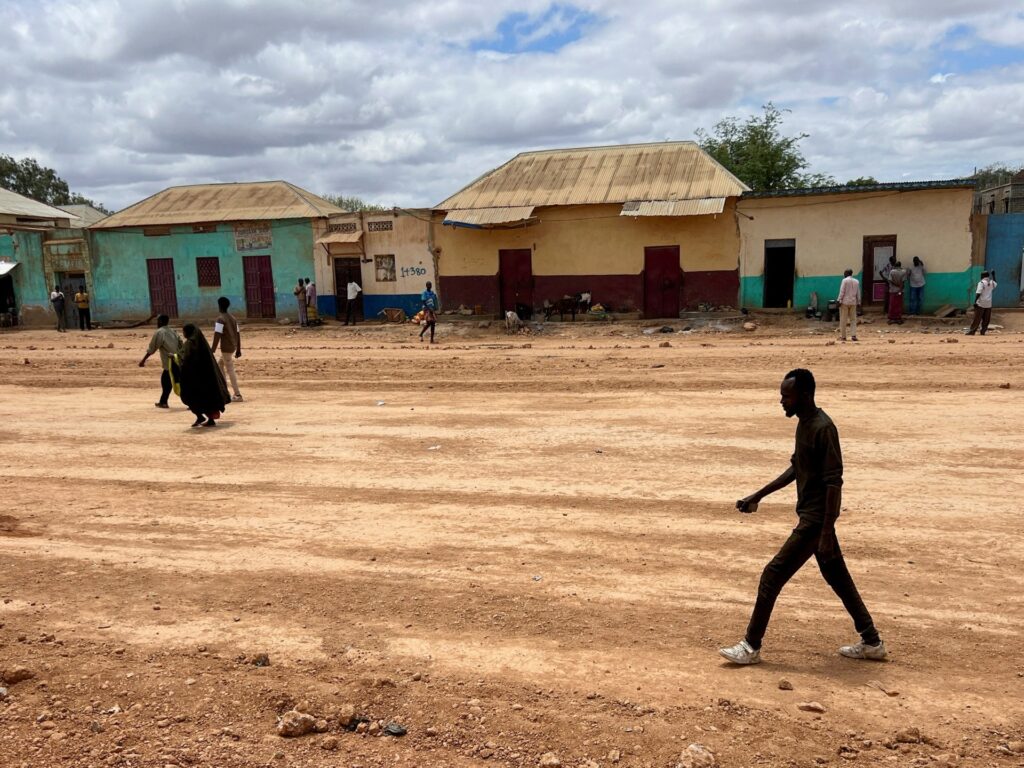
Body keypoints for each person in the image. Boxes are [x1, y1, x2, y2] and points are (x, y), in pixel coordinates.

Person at [719, 368, 885, 665]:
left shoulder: (823, 428)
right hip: (814, 520)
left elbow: (834, 483)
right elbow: (797, 468)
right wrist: (758, 495)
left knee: (772, 575)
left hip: (815, 521)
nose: (782, 401)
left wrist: (825, 532)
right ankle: (872, 641)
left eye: (787, 396)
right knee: (838, 579)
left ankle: (750, 646)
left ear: (805, 395)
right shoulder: (804, 423)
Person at [173, 324, 230, 427]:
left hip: (195, 377)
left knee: (192, 397)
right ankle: (208, 419)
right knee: (207, 397)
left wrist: (174, 357)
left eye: (184, 332)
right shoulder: (202, 343)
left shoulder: (190, 343)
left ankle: (200, 416)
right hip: (206, 377)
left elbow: (185, 358)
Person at [138, 314, 182, 408]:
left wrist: (143, 360)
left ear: (161, 321)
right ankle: (163, 401)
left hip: (169, 362)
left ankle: (164, 402)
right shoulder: (173, 331)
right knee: (174, 380)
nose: (157, 323)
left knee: (167, 381)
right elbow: (181, 343)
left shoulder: (160, 332)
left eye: (157, 321)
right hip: (177, 359)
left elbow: (152, 348)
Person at [210, 296, 243, 401]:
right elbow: (238, 333)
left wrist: (212, 350)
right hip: (233, 346)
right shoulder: (233, 318)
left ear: (219, 306)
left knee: (230, 369)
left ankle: (237, 394)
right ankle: (224, 391)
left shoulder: (220, 319)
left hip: (226, 348)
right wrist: (238, 349)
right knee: (220, 364)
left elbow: (217, 335)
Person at [966, 271, 998, 336]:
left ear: (982, 276)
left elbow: (978, 293)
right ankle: (983, 331)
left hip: (981, 303)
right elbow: (995, 283)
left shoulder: (981, 283)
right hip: (988, 304)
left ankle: (972, 331)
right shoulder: (991, 282)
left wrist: (975, 301)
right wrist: (993, 275)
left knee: (977, 318)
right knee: (986, 319)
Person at [836, 269, 860, 342]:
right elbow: (858, 293)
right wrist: (859, 302)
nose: (844, 274)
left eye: (844, 273)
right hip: (853, 302)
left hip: (845, 302)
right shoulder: (856, 281)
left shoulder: (844, 281)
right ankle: (853, 335)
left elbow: (842, 291)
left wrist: (839, 300)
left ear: (846, 273)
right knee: (853, 320)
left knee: (843, 320)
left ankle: (843, 337)